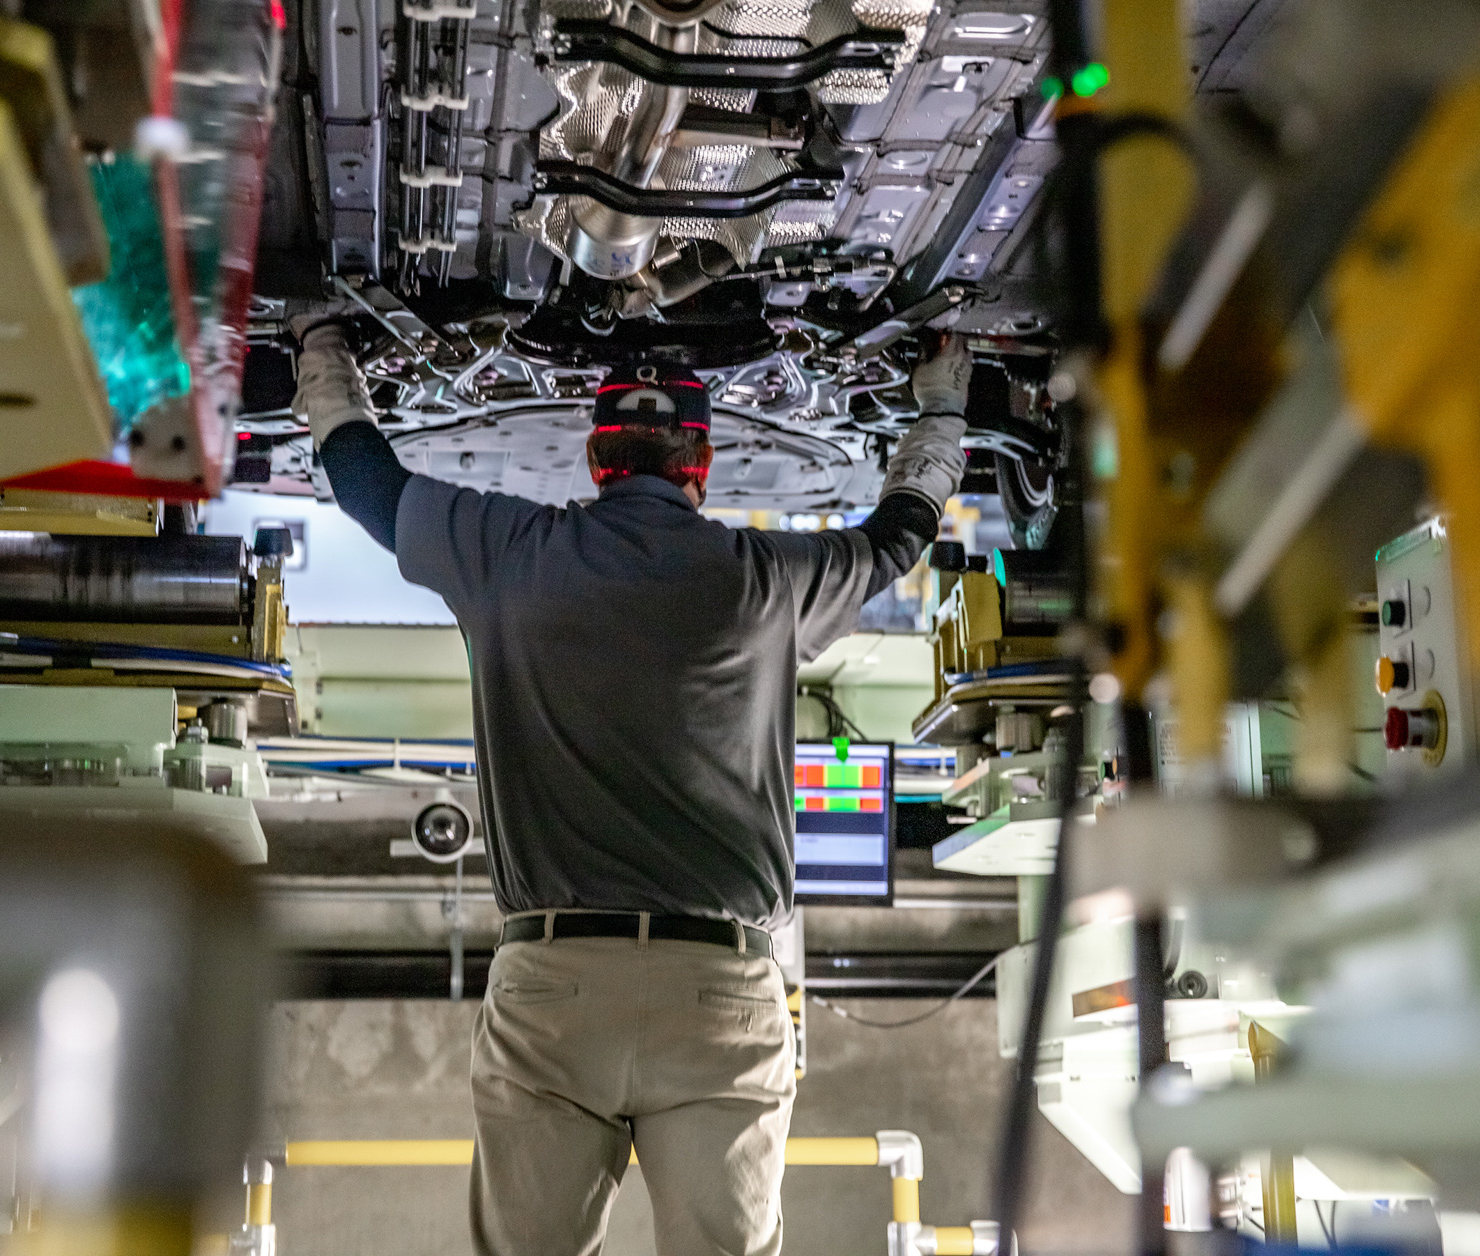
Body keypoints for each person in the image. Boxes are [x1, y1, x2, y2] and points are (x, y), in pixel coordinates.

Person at [290, 319, 971, 1256]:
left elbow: (370, 488)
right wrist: (941, 406)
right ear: (700, 464)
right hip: (719, 992)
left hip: (554, 988)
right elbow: (899, 537)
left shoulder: (506, 552)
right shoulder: (765, 581)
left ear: (596, 457)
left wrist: (322, 344)